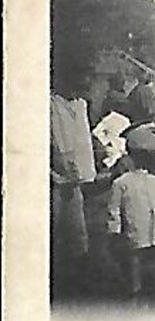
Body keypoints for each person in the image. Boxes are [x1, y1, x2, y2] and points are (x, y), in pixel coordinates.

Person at [112, 128, 155, 312]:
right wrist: (115, 236)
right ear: (143, 157)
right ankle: (135, 316)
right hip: (137, 239)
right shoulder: (122, 183)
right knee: (135, 282)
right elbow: (114, 213)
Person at [49, 62, 95, 302]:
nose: (83, 86)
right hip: (56, 178)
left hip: (75, 180)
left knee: (77, 233)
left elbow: (82, 141)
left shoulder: (80, 105)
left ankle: (76, 283)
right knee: (54, 231)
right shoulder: (51, 104)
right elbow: (55, 143)